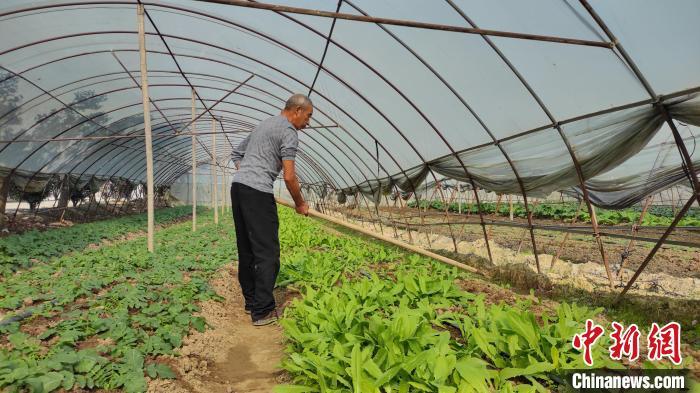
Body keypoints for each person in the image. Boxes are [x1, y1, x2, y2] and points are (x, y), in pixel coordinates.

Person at [230, 94, 311, 326]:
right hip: (257, 192)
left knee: (247, 250)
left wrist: (246, 173)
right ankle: (263, 311)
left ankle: (251, 303)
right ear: (296, 110)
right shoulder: (288, 132)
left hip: (238, 188)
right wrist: (300, 203)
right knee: (267, 253)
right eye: (308, 116)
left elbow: (237, 153)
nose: (308, 123)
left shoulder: (264, 124)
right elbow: (289, 176)